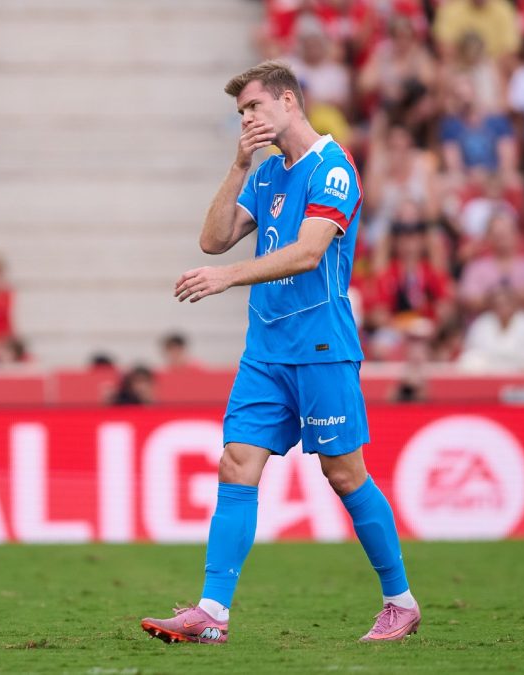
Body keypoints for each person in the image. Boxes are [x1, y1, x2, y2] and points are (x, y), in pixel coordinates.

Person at [142, 61, 419, 645]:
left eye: (253, 108)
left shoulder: (333, 168)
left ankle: (400, 601)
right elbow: (213, 239)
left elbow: (309, 252)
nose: (246, 119)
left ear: (288, 102)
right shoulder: (265, 174)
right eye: (240, 112)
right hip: (265, 350)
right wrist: (240, 163)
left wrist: (227, 278)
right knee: (236, 463)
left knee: (344, 474)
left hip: (320, 346)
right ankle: (211, 613)